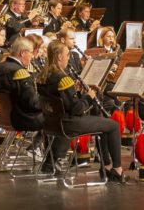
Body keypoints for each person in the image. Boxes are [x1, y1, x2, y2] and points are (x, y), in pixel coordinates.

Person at [36, 40, 126, 182]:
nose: (68, 57)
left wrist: (75, 91)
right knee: (113, 125)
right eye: (67, 54)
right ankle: (117, 169)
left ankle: (107, 165)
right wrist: (88, 97)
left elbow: (62, 99)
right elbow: (77, 109)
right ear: (59, 57)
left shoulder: (42, 76)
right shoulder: (63, 78)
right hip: (68, 123)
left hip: (51, 123)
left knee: (104, 125)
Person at [0, 37, 44, 133]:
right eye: (31, 52)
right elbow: (32, 103)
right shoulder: (19, 72)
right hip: (23, 119)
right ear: (23, 53)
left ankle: (38, 145)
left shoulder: (0, 67)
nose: (32, 56)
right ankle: (46, 148)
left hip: (7, 117)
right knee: (58, 117)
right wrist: (47, 104)